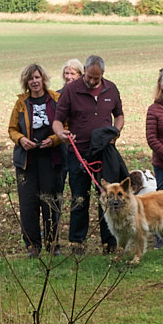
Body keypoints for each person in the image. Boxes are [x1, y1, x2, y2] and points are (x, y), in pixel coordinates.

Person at [58, 55, 125, 251]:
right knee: (79, 197)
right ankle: (77, 242)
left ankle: (109, 241)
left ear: (102, 74)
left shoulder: (111, 89)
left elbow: (119, 114)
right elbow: (58, 119)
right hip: (78, 152)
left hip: (105, 152)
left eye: (97, 78)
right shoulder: (71, 90)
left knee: (106, 196)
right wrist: (60, 132)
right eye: (89, 77)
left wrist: (116, 131)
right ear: (84, 70)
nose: (92, 81)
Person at [9, 63, 65, 256]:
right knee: (28, 205)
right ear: (26, 82)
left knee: (50, 203)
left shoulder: (56, 99)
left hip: (51, 158)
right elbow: (12, 129)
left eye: (37, 77)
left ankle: (52, 244)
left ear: (43, 79)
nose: (34, 81)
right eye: (31, 78)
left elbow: (65, 125)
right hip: (27, 161)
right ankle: (33, 246)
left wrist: (54, 139)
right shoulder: (21, 103)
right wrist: (21, 139)